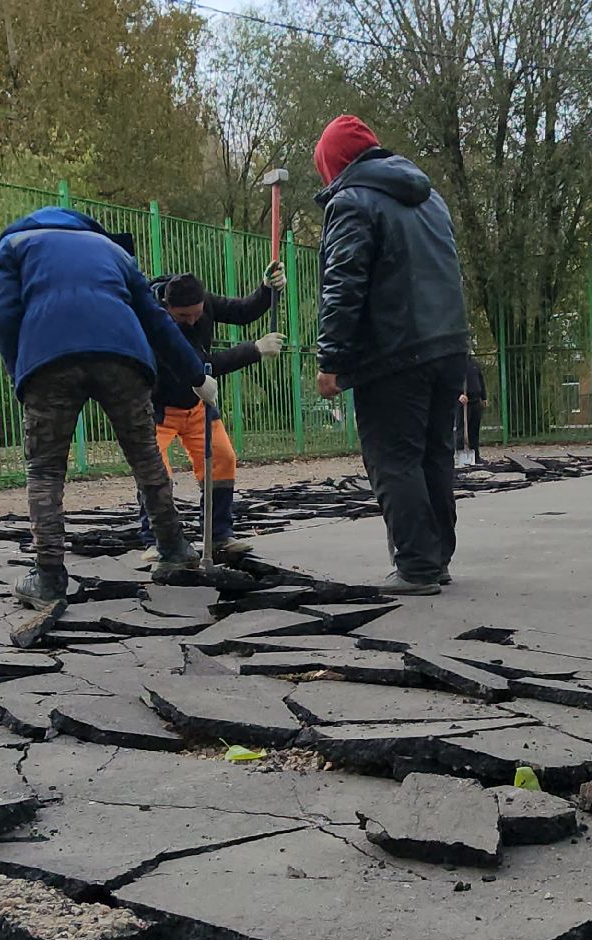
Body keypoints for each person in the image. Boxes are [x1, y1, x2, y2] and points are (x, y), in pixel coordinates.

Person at [0, 206, 215, 608]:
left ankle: (50, 576)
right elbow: (157, 321)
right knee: (146, 456)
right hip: (123, 356)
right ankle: (174, 548)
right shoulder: (112, 252)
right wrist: (198, 375)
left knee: (45, 469)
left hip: (48, 360)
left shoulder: (15, 245)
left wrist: (19, 372)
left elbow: (3, 316)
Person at [311, 114, 471, 596]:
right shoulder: (430, 198)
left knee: (393, 458)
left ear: (333, 164)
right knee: (434, 455)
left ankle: (417, 566)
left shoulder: (351, 201)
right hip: (448, 345)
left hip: (394, 351)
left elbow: (344, 283)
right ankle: (436, 557)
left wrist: (332, 358)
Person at [133, 266, 287, 558]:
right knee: (156, 472)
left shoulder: (204, 303)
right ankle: (155, 539)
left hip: (197, 404)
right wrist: (254, 349)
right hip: (158, 407)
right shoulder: (154, 319)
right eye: (183, 317)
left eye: (196, 314)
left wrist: (267, 289)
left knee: (222, 459)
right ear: (168, 307)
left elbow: (242, 312)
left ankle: (218, 536)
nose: (191, 321)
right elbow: (198, 364)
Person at [456, 360, 486, 466]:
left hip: (475, 401)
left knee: (474, 430)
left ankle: (475, 456)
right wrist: (458, 394)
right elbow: (450, 382)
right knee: (462, 430)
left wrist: (484, 396)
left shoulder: (474, 364)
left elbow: (480, 379)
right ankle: (460, 455)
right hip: (463, 402)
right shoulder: (456, 364)